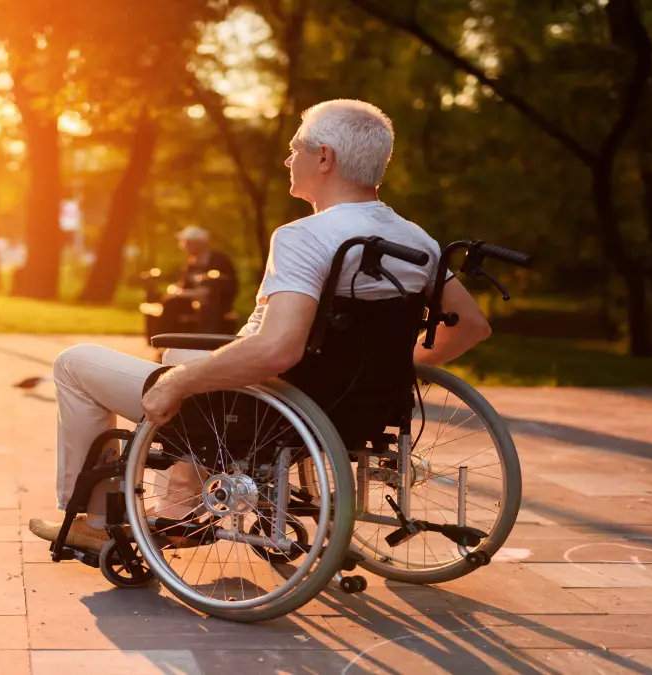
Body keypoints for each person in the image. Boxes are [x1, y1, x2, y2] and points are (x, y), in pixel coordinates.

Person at [28, 99, 493, 551]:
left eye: (296, 148)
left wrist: (180, 384)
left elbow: (277, 350)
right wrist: (391, 367)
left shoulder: (305, 237)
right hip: (352, 408)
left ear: (324, 158)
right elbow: (471, 325)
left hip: (264, 408)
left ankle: (96, 521)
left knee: (75, 363)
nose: (289, 158)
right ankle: (177, 511)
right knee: (178, 354)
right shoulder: (417, 240)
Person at [159, 226, 239, 334]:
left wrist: (185, 293)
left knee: (207, 308)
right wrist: (178, 292)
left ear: (199, 244)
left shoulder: (219, 260)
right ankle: (168, 340)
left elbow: (214, 289)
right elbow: (183, 286)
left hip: (217, 302)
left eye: (187, 242)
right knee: (170, 302)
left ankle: (207, 344)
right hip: (192, 301)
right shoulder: (190, 264)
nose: (183, 246)